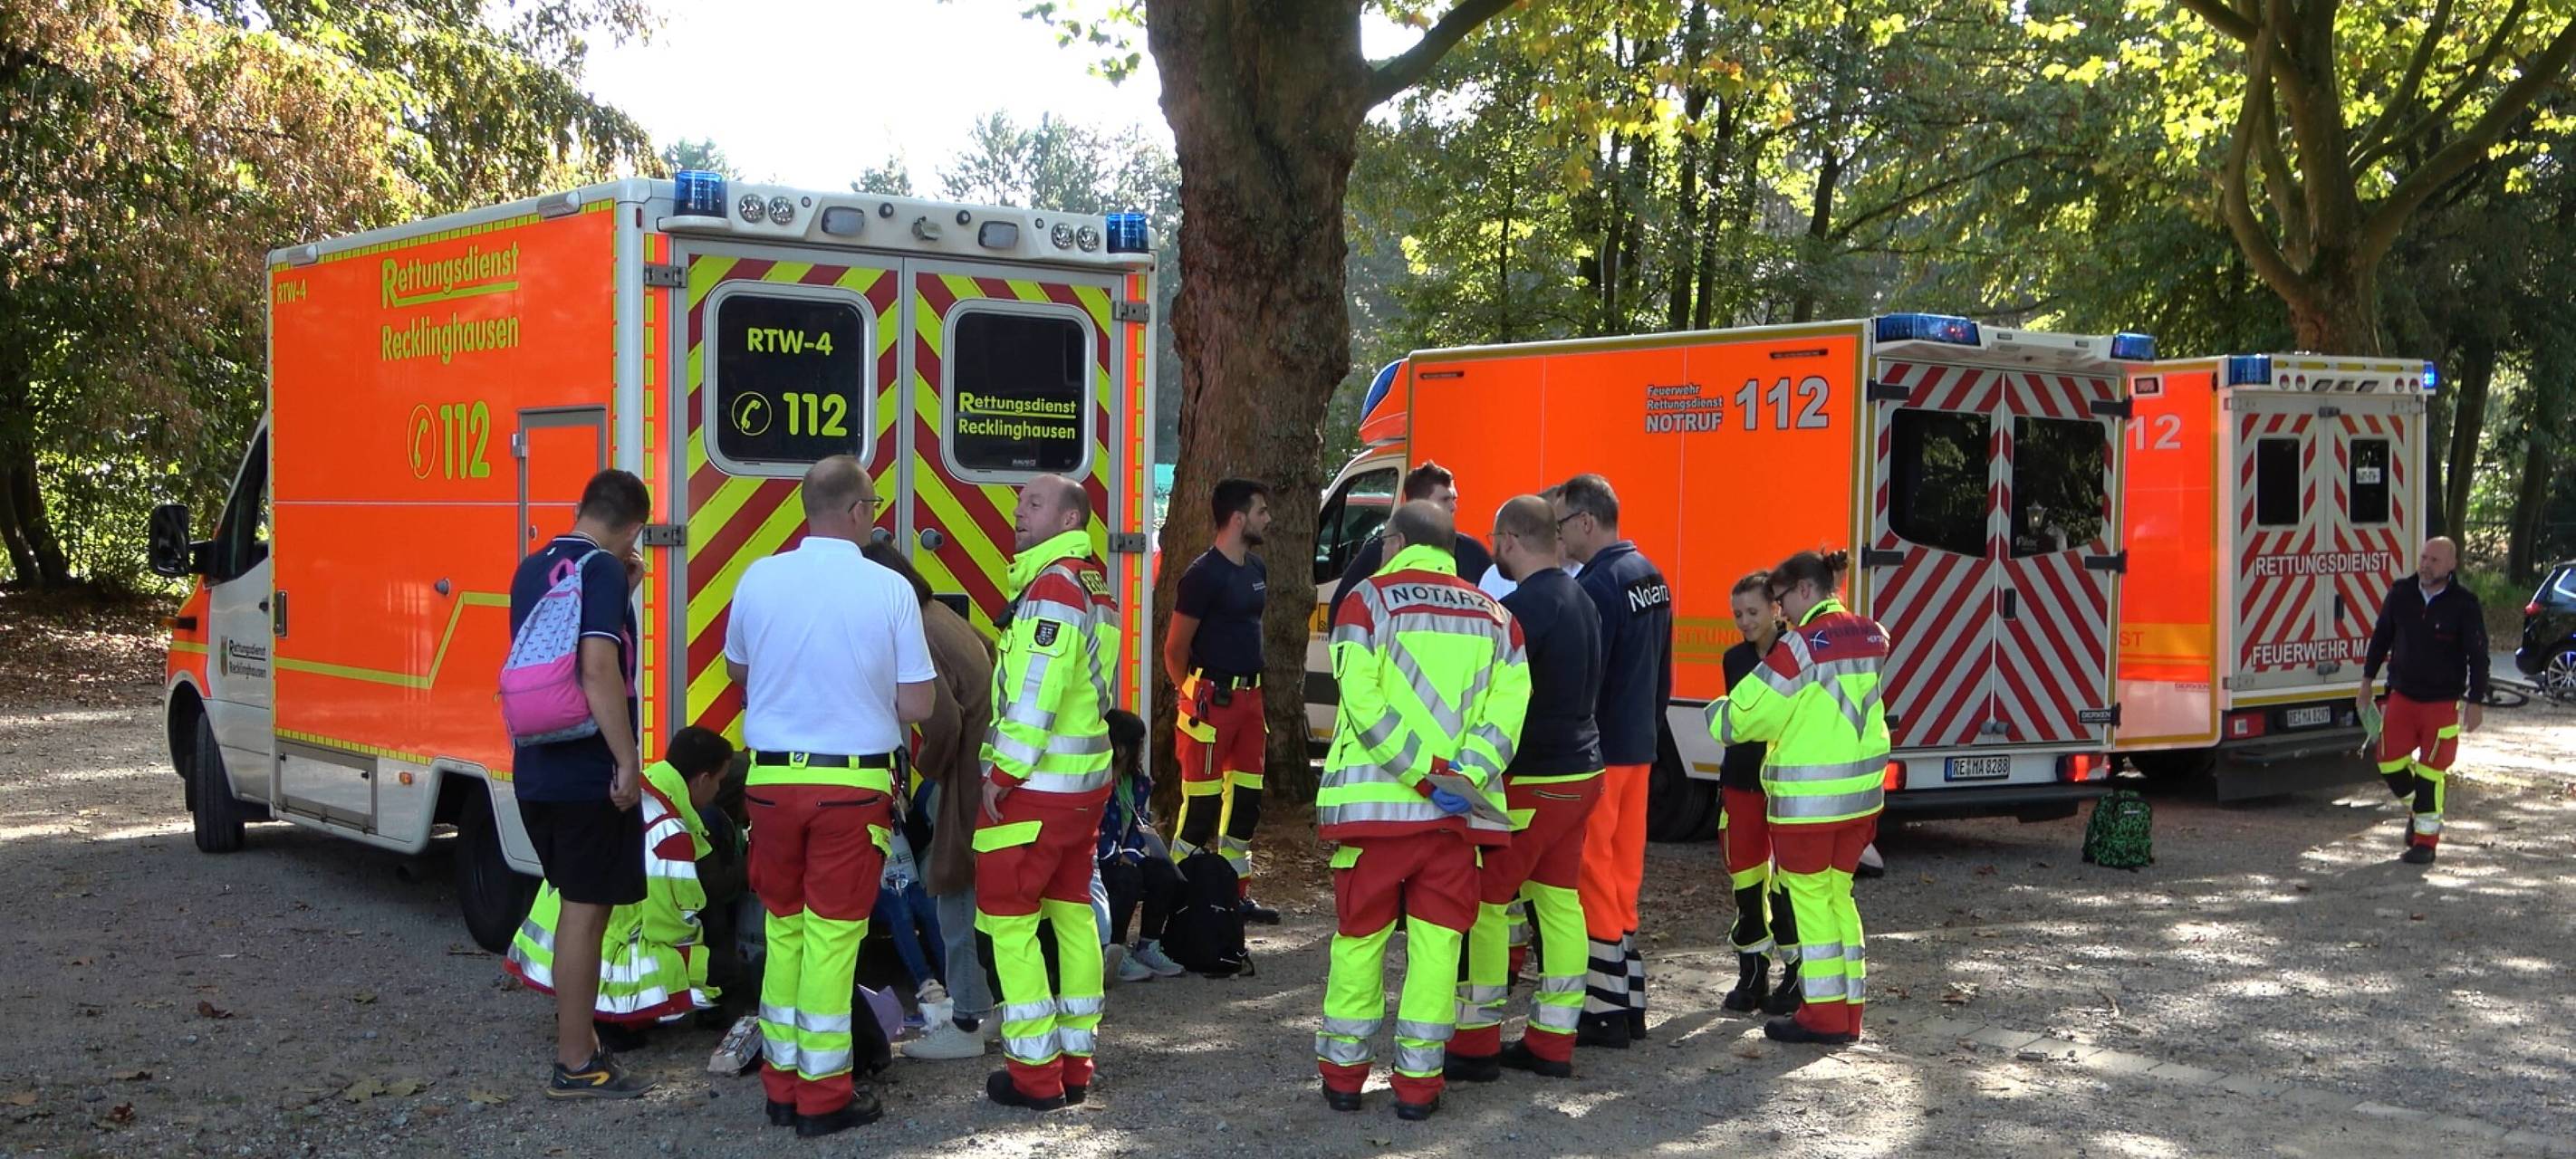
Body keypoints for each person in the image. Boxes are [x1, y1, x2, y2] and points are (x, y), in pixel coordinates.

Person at [725, 455, 937, 1137]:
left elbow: (738, 668)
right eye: (873, 507)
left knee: (785, 930)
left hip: (769, 784)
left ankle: (781, 1084)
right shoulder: (888, 590)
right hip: (850, 788)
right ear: (857, 511)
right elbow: (919, 703)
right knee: (833, 940)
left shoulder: (759, 577)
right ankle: (823, 1097)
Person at [1316, 501, 1527, 1121]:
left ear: (1396, 541)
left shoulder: (1366, 602)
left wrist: (1419, 772)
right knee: (1438, 948)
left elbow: (1361, 701)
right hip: (1454, 818)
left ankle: (1345, 1079)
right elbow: (1507, 716)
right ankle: (1417, 1087)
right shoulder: (1498, 617)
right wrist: (1462, 777)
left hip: (1376, 814)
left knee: (1360, 941)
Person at [506, 467, 654, 1099]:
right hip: (586, 772)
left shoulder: (532, 566)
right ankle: (576, 1063)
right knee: (585, 915)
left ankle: (582, 1045)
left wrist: (622, 580)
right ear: (635, 528)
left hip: (537, 768)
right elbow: (597, 670)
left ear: (582, 508)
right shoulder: (597, 573)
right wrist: (627, 760)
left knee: (575, 904)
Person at [976, 474, 1121, 1111]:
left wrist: (1001, 774)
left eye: (1033, 503)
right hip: (1082, 787)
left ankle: (1035, 1076)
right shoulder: (1090, 581)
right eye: (1017, 502)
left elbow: (1037, 693)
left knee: (1010, 924)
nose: (1018, 512)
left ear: (1069, 520)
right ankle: (1075, 1062)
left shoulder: (1055, 586)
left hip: (1037, 788)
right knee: (1072, 916)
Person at [1447, 496, 1603, 1082]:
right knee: (1559, 902)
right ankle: (1553, 1040)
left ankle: (1476, 1040)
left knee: (1485, 901)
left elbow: (1485, 695)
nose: (1494, 552)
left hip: (1532, 780)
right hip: (1582, 773)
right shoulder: (1583, 597)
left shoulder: (1516, 610)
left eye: (1495, 541)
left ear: (1510, 539)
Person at [1706, 551, 1891, 1046]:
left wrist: (1717, 714)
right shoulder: (1872, 634)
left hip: (1809, 805)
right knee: (1839, 899)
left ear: (1804, 591)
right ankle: (1849, 1009)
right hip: (1861, 801)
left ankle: (1823, 1016)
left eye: (1782, 599)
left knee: (1810, 906)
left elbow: (1746, 717)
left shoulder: (1801, 647)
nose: (1780, 611)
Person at [509, 726, 736, 1046]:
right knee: (714, 963)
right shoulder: (667, 830)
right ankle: (612, 1019)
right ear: (701, 779)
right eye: (719, 781)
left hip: (559, 937)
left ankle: (583, 1010)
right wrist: (706, 977)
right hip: (600, 947)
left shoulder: (641, 789)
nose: (718, 791)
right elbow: (668, 925)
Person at [1547, 474, 1674, 1048]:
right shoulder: (1652, 575)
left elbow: (1587, 676)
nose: (1560, 537)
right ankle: (1631, 995)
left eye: (1563, 524)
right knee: (1623, 875)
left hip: (1603, 749)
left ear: (1587, 522)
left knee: (1593, 874)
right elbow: (1664, 673)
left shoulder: (1597, 586)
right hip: (1641, 745)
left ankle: (1602, 1009)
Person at [862, 542, 997, 1061]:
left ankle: (965, 1020)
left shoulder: (913, 630)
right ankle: (991, 1008)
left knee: (952, 892)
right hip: (987, 767)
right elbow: (992, 652)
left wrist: (929, 772)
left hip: (964, 777)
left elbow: (941, 720)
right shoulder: (939, 612)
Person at [1165, 477, 1281, 924]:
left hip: (1252, 701)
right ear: (1238, 518)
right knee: (1202, 808)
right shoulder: (1202, 575)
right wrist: (1192, 698)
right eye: (1261, 512)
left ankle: (1234, 896)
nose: (1267, 519)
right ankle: (1182, 900)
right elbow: (1175, 649)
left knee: (1246, 805)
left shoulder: (1257, 570)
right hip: (1211, 702)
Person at [2359, 536, 2489, 865]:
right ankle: (2419, 812)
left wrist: (2475, 701)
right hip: (2402, 695)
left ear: (2451, 565)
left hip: (2441, 702)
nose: (2426, 564)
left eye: (2434, 560)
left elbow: (2479, 655)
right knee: (2388, 760)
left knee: (2432, 771)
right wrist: (2366, 682)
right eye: (2424, 557)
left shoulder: (2464, 603)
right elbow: (2381, 637)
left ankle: (2426, 844)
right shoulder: (2401, 593)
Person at [1716, 571, 1800, 1015]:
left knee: (1788, 884)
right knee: (1747, 882)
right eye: (1737, 615)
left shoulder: (1798, 653)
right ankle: (1751, 973)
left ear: (1775, 609)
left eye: (1752, 612)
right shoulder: (1734, 659)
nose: (1744, 622)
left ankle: (1796, 973)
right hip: (1743, 783)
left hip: (1787, 783)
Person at [1329, 462, 1505, 627]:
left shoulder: (1472, 552)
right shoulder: (1380, 551)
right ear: (1417, 504)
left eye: (1454, 499)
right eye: (1445, 499)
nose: (1453, 507)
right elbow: (1341, 613)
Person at [1098, 709, 1187, 982]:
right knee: (1127, 878)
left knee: (1164, 873)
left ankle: (1148, 944)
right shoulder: (1096, 780)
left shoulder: (1135, 783)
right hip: (1098, 860)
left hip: (1125, 855)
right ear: (1123, 748)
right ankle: (1114, 949)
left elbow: (1138, 825)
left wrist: (1132, 853)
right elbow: (1093, 828)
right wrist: (1117, 855)